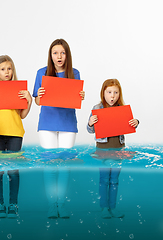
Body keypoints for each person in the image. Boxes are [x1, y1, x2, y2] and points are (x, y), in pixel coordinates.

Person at [32, 39, 85, 218]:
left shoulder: (74, 73)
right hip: (47, 124)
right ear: (51, 55)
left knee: (63, 166)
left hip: (67, 124)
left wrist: (80, 96)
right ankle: (51, 205)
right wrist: (39, 95)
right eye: (55, 53)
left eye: (62, 53)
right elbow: (37, 101)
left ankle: (61, 204)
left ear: (67, 54)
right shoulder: (42, 73)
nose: (59, 56)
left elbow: (74, 100)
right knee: (50, 166)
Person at [0, 55, 32, 218]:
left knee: (13, 171)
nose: (7, 72)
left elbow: (23, 115)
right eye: (3, 69)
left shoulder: (18, 91)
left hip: (15, 134)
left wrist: (29, 101)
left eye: (9, 69)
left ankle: (13, 204)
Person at [87, 79, 139, 218]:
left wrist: (136, 122)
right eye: (109, 92)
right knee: (104, 179)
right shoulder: (97, 108)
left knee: (114, 179)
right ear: (103, 93)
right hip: (102, 150)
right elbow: (90, 130)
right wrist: (90, 123)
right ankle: (104, 208)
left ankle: (113, 207)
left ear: (119, 94)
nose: (112, 96)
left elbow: (130, 125)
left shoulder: (122, 108)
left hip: (119, 150)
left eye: (116, 92)